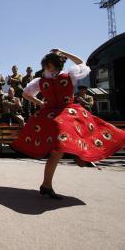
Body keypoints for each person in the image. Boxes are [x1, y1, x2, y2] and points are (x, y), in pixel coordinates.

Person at [11, 49, 125, 199]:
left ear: (51, 64)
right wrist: (64, 53)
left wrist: (38, 102)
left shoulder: (46, 79)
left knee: (61, 148)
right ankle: (66, 168)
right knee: (63, 145)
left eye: (46, 64)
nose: (44, 66)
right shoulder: (65, 76)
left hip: (56, 115)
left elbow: (26, 94)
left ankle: (52, 180)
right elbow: (81, 63)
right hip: (64, 115)